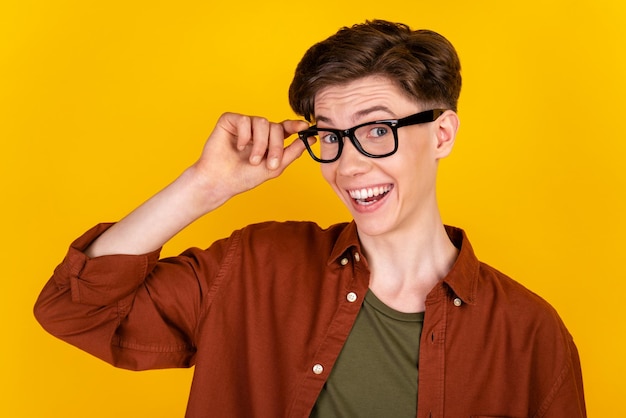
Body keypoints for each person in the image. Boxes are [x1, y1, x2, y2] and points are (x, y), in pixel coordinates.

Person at [34, 20, 586, 417]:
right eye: (330, 135)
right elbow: (73, 311)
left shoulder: (532, 335)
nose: (348, 163)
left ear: (441, 134)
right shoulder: (254, 265)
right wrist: (204, 186)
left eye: (376, 130)